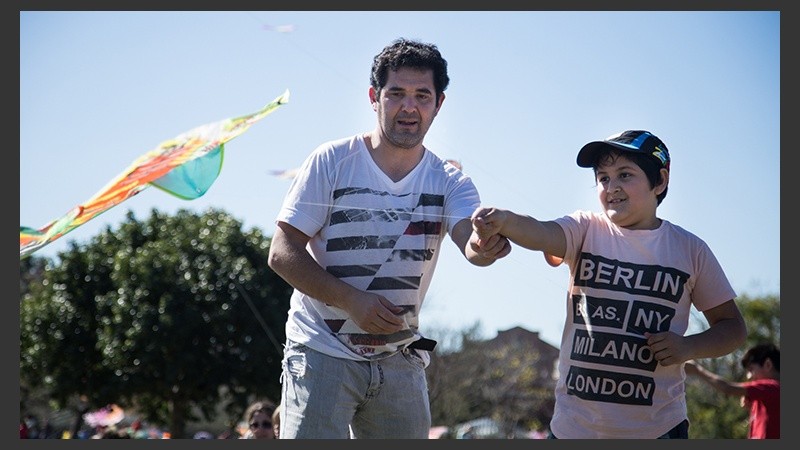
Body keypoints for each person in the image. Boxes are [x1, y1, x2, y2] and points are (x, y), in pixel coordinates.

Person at [267, 37, 511, 439]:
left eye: (422, 95)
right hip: (320, 351)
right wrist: (350, 300)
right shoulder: (332, 160)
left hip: (400, 357)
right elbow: (281, 252)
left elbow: (471, 242)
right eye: (396, 93)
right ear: (373, 97)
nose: (409, 107)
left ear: (439, 103)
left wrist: (485, 246)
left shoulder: (451, 182)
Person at [470, 130, 747, 438]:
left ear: (661, 180)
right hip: (573, 429)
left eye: (624, 175)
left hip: (658, 430)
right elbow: (542, 232)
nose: (611, 188)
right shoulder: (585, 228)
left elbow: (733, 328)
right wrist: (505, 220)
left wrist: (687, 347)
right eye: (603, 178)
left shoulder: (690, 249)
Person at [685, 342, 780, 439]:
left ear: (768, 364)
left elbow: (728, 388)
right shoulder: (768, 393)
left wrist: (697, 370)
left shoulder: (772, 387)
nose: (749, 376)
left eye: (751, 369)